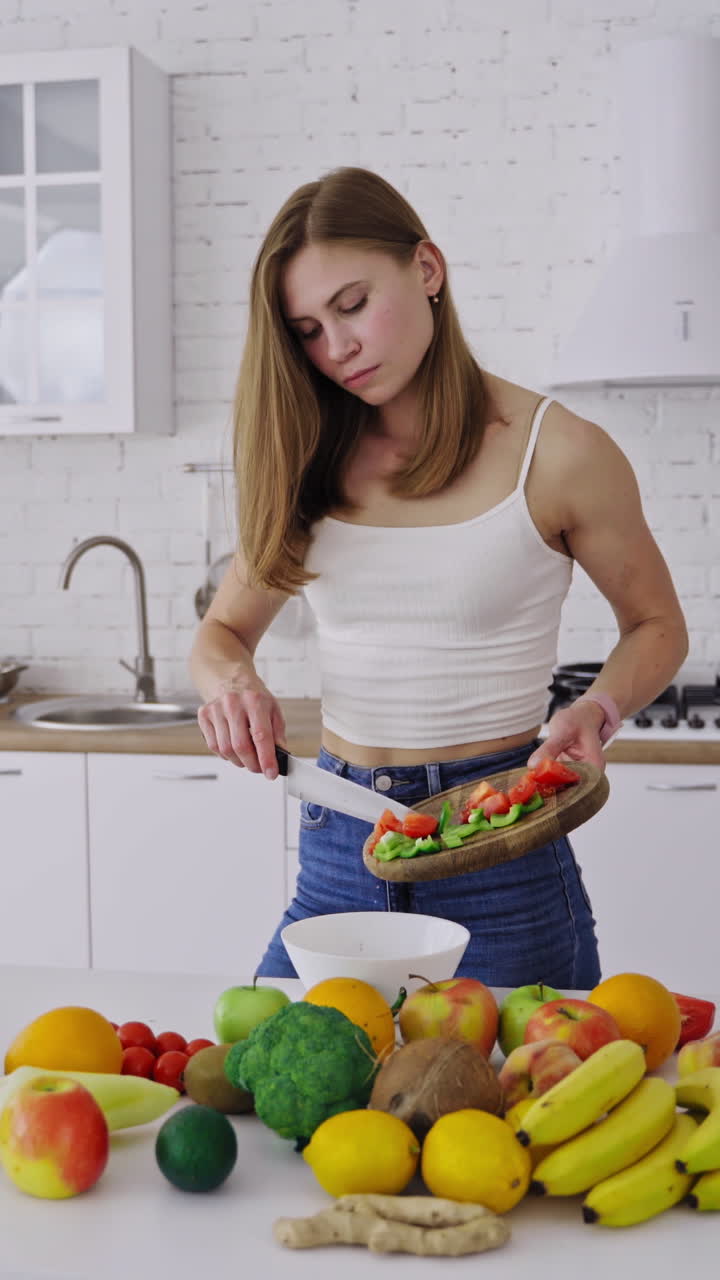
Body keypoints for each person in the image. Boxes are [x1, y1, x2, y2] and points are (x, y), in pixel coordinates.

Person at [190, 166, 688, 988]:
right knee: (278, 1101)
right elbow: (219, 634)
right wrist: (231, 683)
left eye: (352, 305)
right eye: (308, 329)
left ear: (427, 269)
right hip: (341, 846)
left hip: (502, 850)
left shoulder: (558, 452)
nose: (336, 347)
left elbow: (657, 625)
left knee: (507, 1114)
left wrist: (597, 709)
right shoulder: (309, 458)